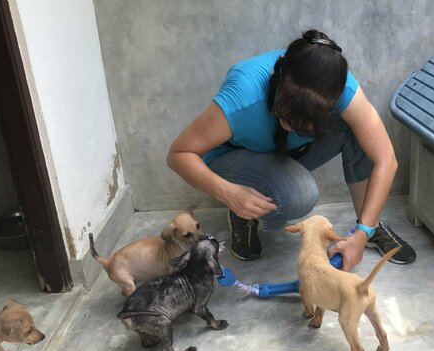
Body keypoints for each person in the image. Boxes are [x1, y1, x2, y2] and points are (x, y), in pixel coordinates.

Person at [167, 29, 416, 271]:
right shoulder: (243, 94)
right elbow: (178, 154)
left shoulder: (338, 88)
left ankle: (369, 225)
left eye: (301, 123)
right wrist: (229, 193)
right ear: (277, 78)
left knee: (358, 132)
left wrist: (362, 233)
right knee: (301, 195)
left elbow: (386, 159)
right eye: (283, 113)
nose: (287, 124)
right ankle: (242, 213)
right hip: (233, 158)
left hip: (284, 151)